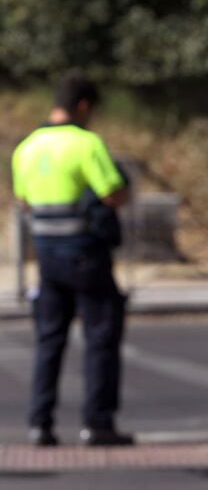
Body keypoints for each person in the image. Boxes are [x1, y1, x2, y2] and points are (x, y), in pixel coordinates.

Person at [12, 70, 133, 446]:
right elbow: (113, 193)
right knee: (100, 337)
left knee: (49, 340)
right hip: (86, 255)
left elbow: (24, 202)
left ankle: (40, 424)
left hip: (47, 257)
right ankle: (98, 425)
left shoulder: (25, 148)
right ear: (83, 106)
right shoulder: (86, 144)